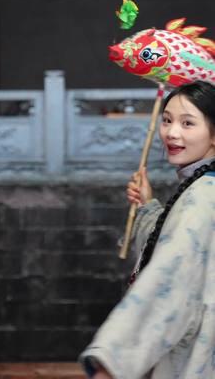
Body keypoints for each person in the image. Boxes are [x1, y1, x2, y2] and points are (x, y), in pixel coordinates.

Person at [79, 80, 215, 379]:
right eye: (166, 120)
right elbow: (177, 242)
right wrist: (147, 206)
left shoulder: (201, 198)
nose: (171, 132)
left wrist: (113, 361)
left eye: (188, 123)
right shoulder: (203, 188)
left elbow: (168, 281)